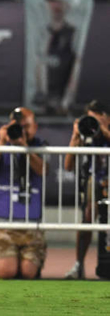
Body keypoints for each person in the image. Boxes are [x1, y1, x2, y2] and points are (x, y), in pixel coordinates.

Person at [0, 107, 48, 279]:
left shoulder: (40, 145)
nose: (22, 131)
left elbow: (42, 170)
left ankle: (27, 262)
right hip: (3, 224)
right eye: (18, 127)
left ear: (35, 127)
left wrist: (24, 147)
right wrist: (1, 143)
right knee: (7, 272)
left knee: (27, 273)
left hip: (31, 225)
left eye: (26, 126)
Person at [64, 100, 110, 279]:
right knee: (87, 217)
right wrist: (76, 137)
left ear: (106, 117)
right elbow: (68, 165)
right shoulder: (87, 135)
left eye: (95, 119)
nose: (92, 124)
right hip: (95, 180)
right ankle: (78, 264)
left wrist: (104, 131)